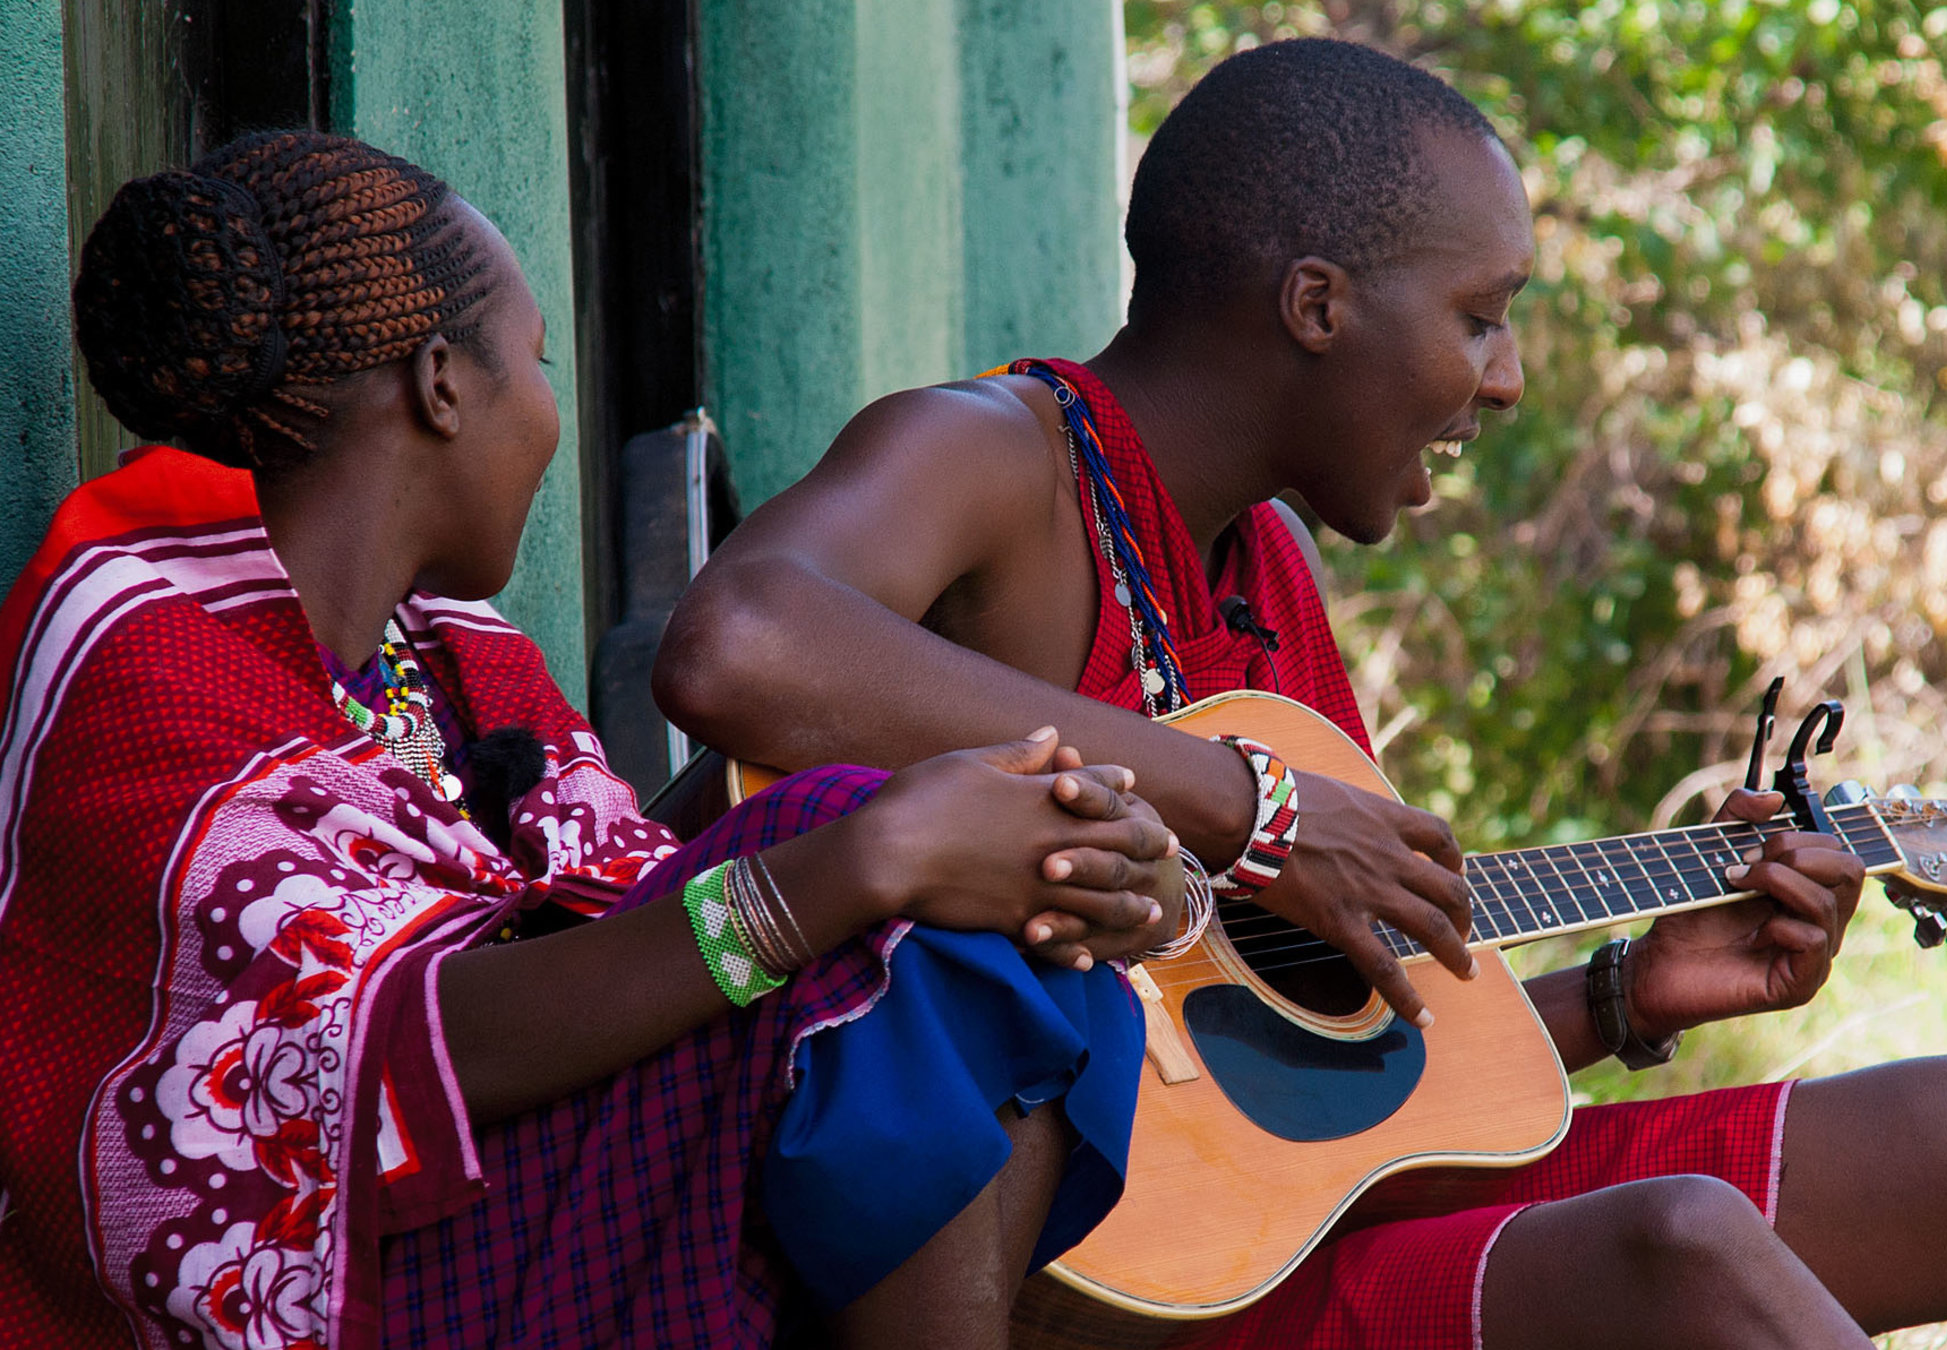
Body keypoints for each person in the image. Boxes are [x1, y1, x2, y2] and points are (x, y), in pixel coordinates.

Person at [655, 38, 1947, 1350]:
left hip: (1275, 1240)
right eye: (1482, 318)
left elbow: (1301, 1087)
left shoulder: (1265, 583)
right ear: (1315, 307)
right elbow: (740, 648)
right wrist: (1252, 806)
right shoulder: (999, 458)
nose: (1504, 379)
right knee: (1684, 1255)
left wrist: (1624, 1000)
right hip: (1101, 1286)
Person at [0, 130, 1181, 1350]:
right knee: (860, 861)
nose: (551, 416)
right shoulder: (146, 647)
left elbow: (604, 914)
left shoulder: (451, 657)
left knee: (1004, 900)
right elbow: (375, 1057)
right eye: (538, 363)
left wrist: (1019, 841)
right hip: (339, 1294)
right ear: (442, 383)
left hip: (506, 1231)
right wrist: (862, 857)